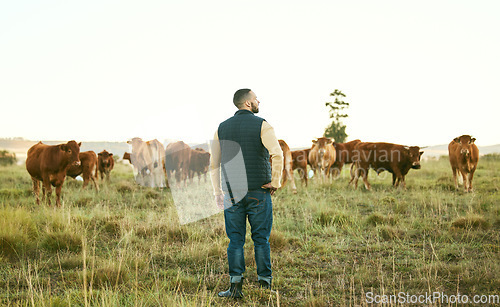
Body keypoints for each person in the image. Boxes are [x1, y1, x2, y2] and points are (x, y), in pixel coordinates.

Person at [210, 88, 283, 298]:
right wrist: (275, 181)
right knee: (261, 239)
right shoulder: (262, 124)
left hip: (232, 193)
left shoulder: (221, 128)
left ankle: (235, 287)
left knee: (235, 240)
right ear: (249, 104)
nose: (259, 100)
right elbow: (276, 154)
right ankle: (265, 286)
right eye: (256, 98)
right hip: (258, 192)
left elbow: (214, 163)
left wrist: (217, 191)